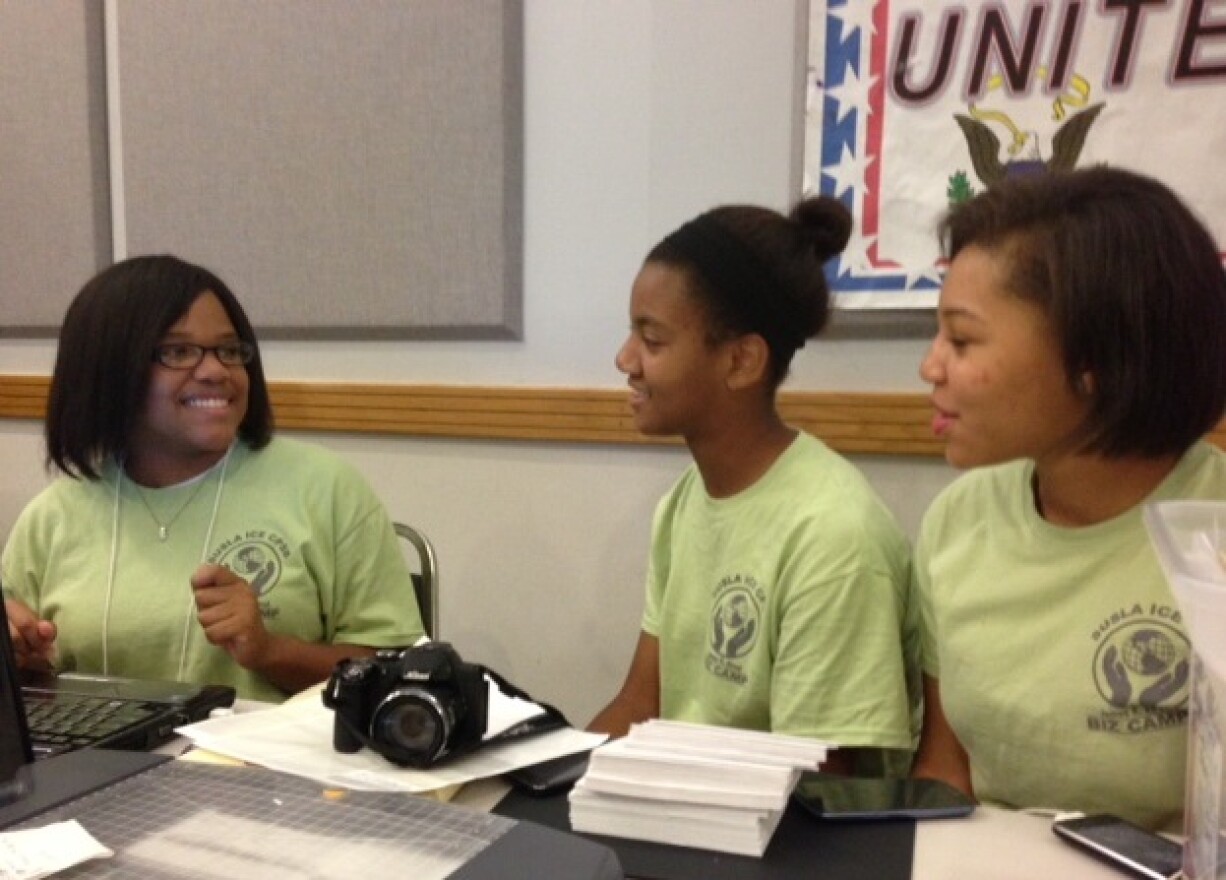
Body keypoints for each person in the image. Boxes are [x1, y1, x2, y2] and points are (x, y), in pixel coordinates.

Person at [910, 166, 1226, 831]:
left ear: (1096, 362)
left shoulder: (1212, 529)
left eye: (961, 340)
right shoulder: (959, 519)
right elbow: (947, 769)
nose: (930, 366)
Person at [587, 196, 919, 775]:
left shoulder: (833, 534)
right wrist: (545, 786)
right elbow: (641, 707)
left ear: (742, 361)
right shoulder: (684, 503)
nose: (625, 359)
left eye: (653, 340)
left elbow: (823, 784)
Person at [2, 255, 425, 702]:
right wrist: (23, 662)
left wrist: (270, 651)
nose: (215, 371)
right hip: (97, 768)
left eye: (228, 350)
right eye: (178, 351)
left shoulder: (326, 489)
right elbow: (24, 692)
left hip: (271, 767)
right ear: (108, 367)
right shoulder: (53, 516)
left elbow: (398, 680)